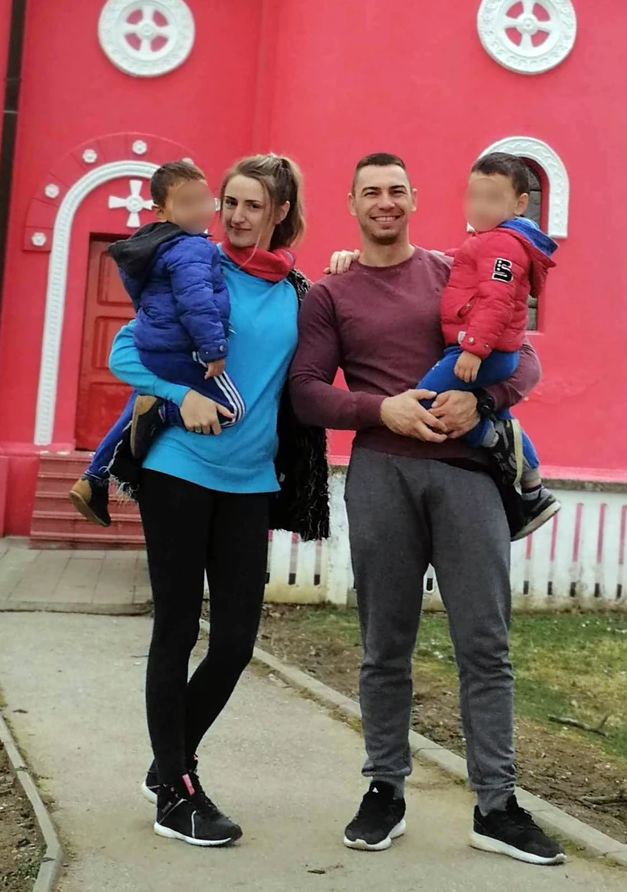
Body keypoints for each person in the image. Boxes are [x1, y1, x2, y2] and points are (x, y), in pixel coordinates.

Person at [289, 152, 565, 865]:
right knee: (385, 647)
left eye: (395, 191)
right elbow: (307, 391)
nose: (384, 202)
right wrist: (380, 408)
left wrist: (484, 400)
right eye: (370, 192)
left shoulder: (453, 269)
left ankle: (497, 805)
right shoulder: (331, 293)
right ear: (352, 204)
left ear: (414, 199)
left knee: (486, 645)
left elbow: (524, 358)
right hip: (382, 475)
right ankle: (384, 790)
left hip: (468, 477)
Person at [107, 154, 329, 849]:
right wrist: (183, 395)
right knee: (176, 629)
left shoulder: (297, 291)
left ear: (280, 213)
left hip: (251, 481)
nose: (234, 216)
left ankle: (168, 760)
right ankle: (177, 790)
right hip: (179, 467)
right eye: (228, 201)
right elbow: (125, 351)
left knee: (234, 642)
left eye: (252, 205)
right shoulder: (193, 266)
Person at [69, 159, 250, 529]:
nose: (200, 209)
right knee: (232, 410)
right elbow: (197, 301)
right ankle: (163, 412)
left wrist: (153, 323)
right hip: (186, 349)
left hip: (156, 345)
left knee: (139, 403)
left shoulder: (148, 247)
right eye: (187, 203)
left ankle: (95, 476)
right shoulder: (193, 248)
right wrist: (213, 349)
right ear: (162, 211)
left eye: (204, 200)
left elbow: (147, 297)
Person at [415, 151, 560, 539]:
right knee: (504, 418)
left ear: (520, 204)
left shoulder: (503, 246)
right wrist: (428, 257)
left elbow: (496, 300)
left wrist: (474, 349)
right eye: (474, 195)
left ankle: (491, 439)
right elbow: (467, 265)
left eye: (492, 198)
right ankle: (533, 488)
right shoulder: (491, 241)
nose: (479, 206)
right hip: (487, 351)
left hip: (485, 353)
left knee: (422, 402)